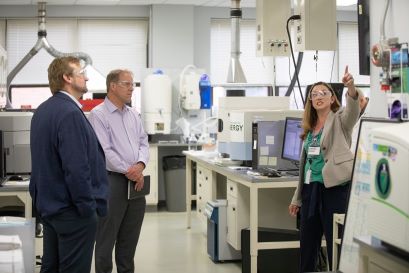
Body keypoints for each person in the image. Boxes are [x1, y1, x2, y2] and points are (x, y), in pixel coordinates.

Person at [30, 56, 109, 273]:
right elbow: (76, 169)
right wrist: (87, 209)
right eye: (81, 73)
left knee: (51, 267)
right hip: (73, 212)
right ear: (67, 78)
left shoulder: (43, 110)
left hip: (50, 207)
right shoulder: (70, 113)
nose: (86, 77)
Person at [288, 66, 361, 272]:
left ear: (332, 99)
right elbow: (305, 168)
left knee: (334, 244)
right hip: (311, 191)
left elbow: (353, 110)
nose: (318, 96)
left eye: (324, 93)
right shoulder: (309, 128)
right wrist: (297, 198)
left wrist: (351, 88)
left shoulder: (341, 120)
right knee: (307, 245)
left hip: (334, 191)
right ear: (310, 101)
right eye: (314, 94)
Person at [89, 69, 149, 273]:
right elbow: (104, 152)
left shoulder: (133, 114)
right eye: (127, 84)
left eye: (133, 84)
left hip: (136, 183)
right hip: (112, 182)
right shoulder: (98, 115)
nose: (132, 88)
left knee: (128, 242)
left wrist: (140, 165)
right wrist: (130, 171)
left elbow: (143, 142)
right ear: (112, 86)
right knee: (105, 242)